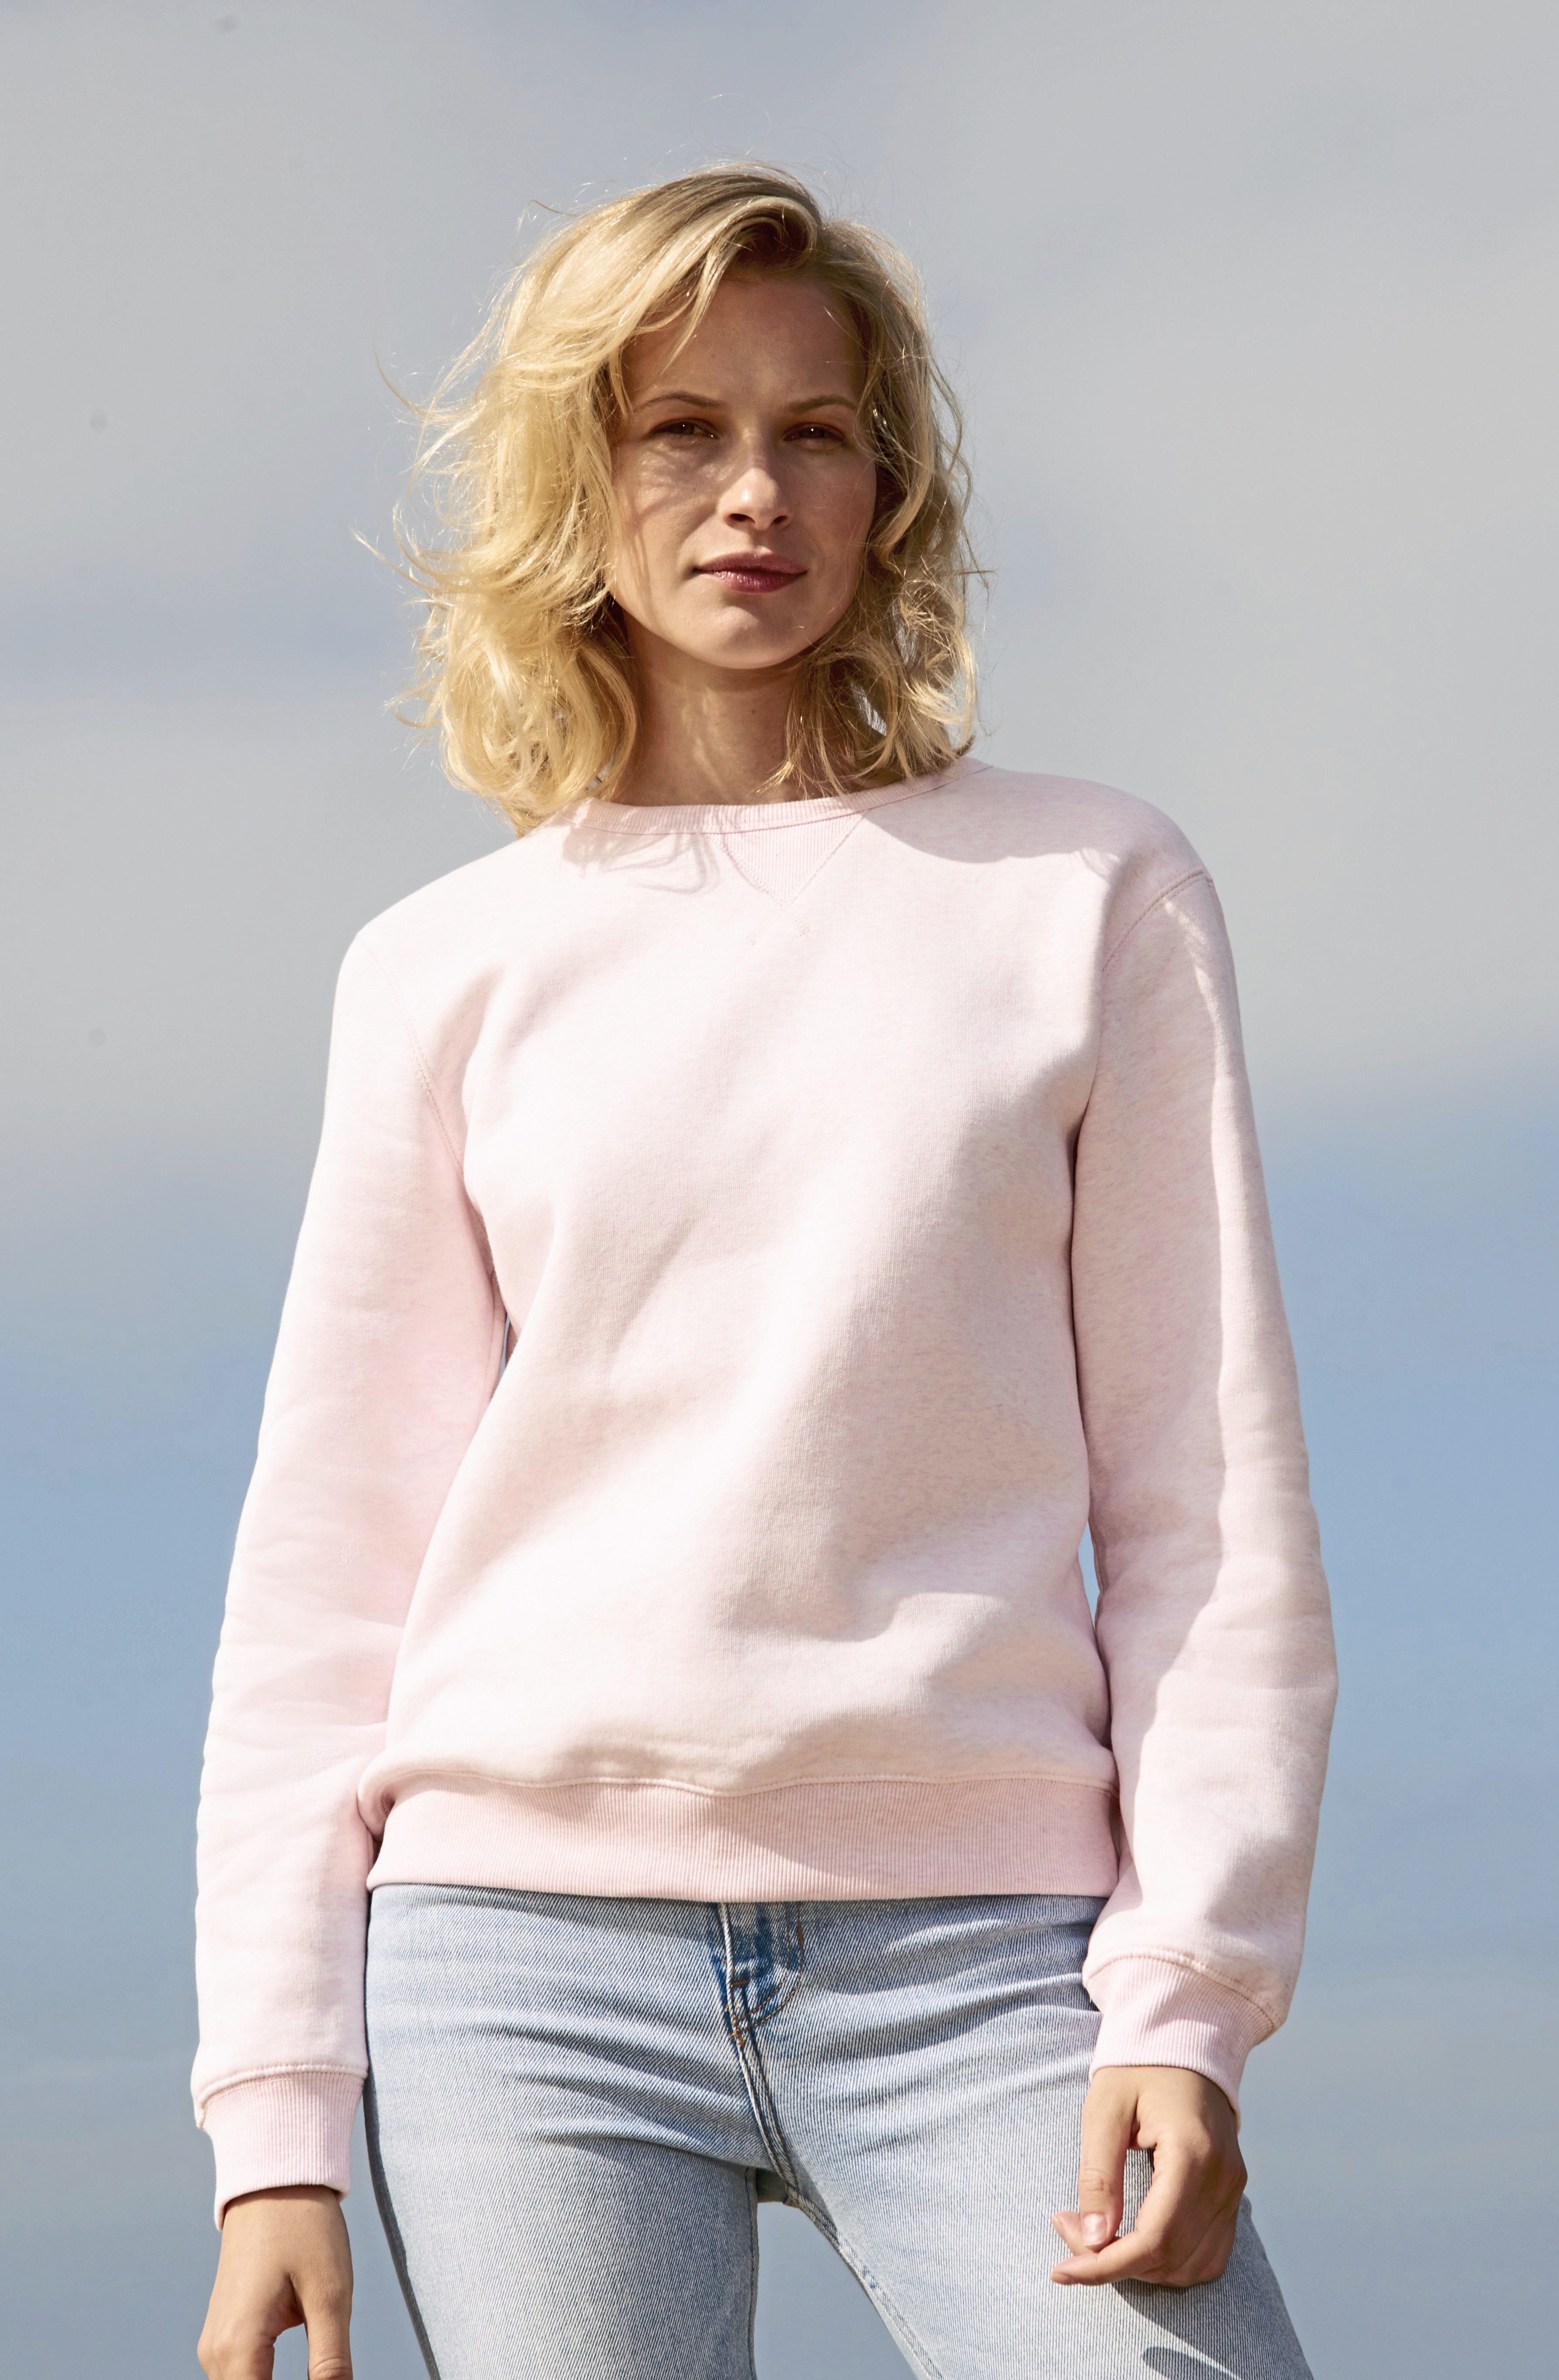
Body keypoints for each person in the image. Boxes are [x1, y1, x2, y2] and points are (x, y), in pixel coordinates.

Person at [193, 166, 1336, 2380]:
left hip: (991, 1959)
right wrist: (276, 2128)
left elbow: (1208, 1510)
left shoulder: (1092, 892)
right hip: (518, 1971)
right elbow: (325, 1579)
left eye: (815, 432)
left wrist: (1186, 1994)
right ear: (578, 481)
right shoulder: (442, 968)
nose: (754, 493)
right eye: (681, 432)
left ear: (887, 486)